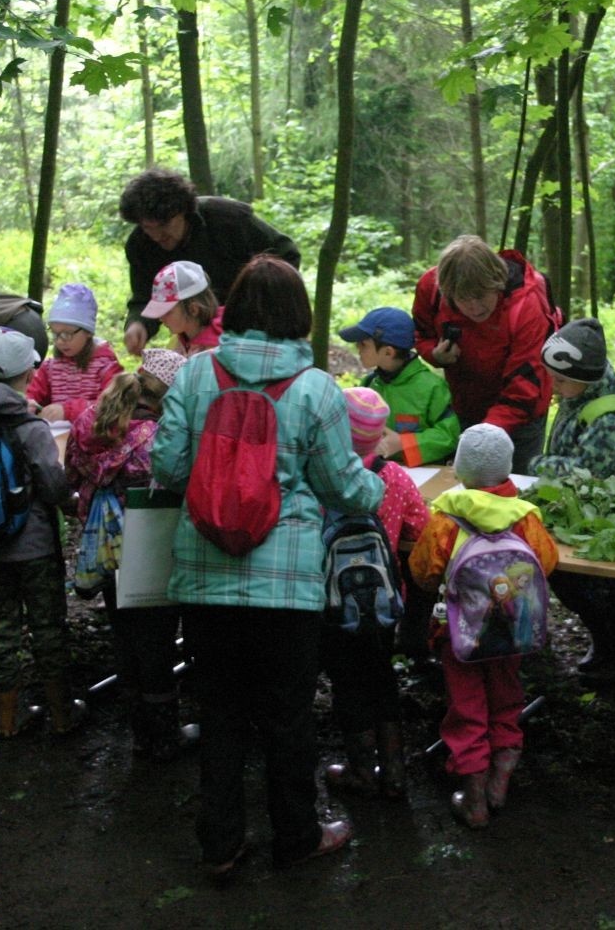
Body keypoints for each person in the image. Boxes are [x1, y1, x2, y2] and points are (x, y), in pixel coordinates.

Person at [150, 254, 384, 877]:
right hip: (287, 586)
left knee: (220, 713)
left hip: (204, 576)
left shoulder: (195, 375)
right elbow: (343, 487)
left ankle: (220, 845)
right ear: (297, 315)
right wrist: (381, 485)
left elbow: (167, 467)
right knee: (288, 716)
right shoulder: (315, 389)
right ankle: (297, 836)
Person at [409, 423, 559, 830]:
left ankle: (473, 796)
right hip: (513, 630)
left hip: (460, 635)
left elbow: (423, 573)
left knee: (467, 704)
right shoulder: (525, 518)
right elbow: (545, 563)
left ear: (459, 469)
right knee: (507, 695)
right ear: (508, 470)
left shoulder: (446, 519)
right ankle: (501, 775)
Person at [0, 327, 85, 739]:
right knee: (48, 628)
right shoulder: (29, 426)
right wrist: (73, 505)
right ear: (30, 375)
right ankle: (62, 714)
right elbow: (53, 484)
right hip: (35, 547)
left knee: (0, 627)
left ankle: (8, 719)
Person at [66, 348, 194, 760]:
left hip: (106, 549)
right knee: (156, 643)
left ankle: (138, 731)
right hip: (151, 550)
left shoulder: (89, 423)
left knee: (124, 638)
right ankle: (164, 737)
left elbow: (70, 476)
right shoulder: (161, 438)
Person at [320, 388, 431, 800]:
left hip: (333, 603)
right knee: (382, 677)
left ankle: (361, 771)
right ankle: (395, 774)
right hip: (384, 602)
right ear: (379, 436)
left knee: (347, 682)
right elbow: (421, 530)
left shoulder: (321, 479)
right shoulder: (395, 478)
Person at [527, 317, 615, 686]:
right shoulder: (579, 393)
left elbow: (589, 475)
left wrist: (539, 465)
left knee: (606, 584)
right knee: (567, 577)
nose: (554, 386)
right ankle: (604, 642)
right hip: (577, 511)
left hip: (603, 516)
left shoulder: (610, 420)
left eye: (561, 380)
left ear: (587, 378)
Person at [411, 235, 559, 473]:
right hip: (462, 406)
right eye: (463, 299)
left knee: (515, 488)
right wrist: (435, 355)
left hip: (521, 419)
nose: (474, 307)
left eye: (481, 295)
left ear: (497, 282)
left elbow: (525, 388)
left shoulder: (526, 306)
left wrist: (481, 438)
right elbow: (421, 332)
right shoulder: (432, 288)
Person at [120, 167, 300, 355]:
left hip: (259, 330)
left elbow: (286, 255)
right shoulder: (140, 246)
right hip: (199, 340)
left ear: (183, 211)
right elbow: (145, 297)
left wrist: (260, 305)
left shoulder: (228, 219)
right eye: (148, 228)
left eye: (164, 225)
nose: (158, 236)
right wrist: (138, 324)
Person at [338, 306, 461, 466]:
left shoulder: (432, 387)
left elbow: (449, 435)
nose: (357, 349)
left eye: (363, 344)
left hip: (422, 475)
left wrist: (403, 443)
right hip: (375, 472)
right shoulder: (368, 385)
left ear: (388, 352)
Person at [26, 284, 125, 422]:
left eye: (67, 334)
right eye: (55, 334)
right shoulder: (50, 368)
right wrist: (28, 403)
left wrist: (68, 411)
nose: (59, 341)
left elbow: (112, 406)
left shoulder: (107, 368)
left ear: (88, 332)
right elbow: (33, 392)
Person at [138, 260, 223, 356]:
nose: (161, 318)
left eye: (168, 312)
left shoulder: (217, 347)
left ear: (193, 310)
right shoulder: (181, 338)